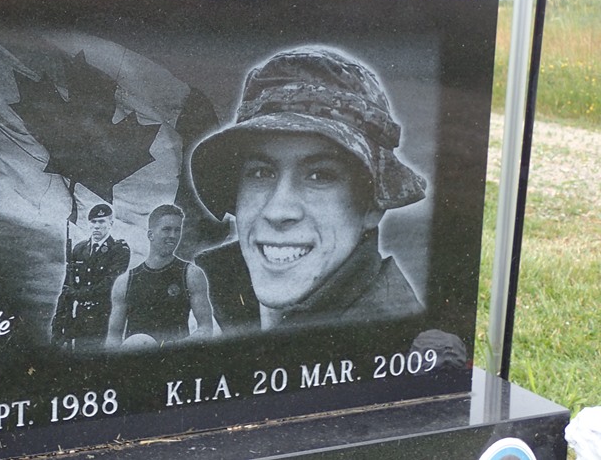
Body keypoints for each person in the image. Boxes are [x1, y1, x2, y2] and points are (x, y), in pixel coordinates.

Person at [189, 46, 428, 334]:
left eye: (319, 175)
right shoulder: (207, 293)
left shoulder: (391, 342)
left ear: (371, 205)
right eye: (261, 172)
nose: (278, 211)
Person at [105, 205, 214, 349]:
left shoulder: (191, 273)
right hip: (136, 364)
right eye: (166, 229)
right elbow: (113, 338)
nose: (173, 236)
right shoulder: (125, 281)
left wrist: (171, 347)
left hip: (174, 362)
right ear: (150, 235)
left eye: (177, 230)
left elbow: (205, 329)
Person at [52, 203, 130, 352]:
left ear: (111, 224)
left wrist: (78, 294)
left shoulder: (119, 250)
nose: (96, 226)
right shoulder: (80, 249)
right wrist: (58, 324)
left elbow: (110, 284)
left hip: (105, 320)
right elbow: (67, 288)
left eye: (101, 222)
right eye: (93, 222)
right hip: (80, 320)